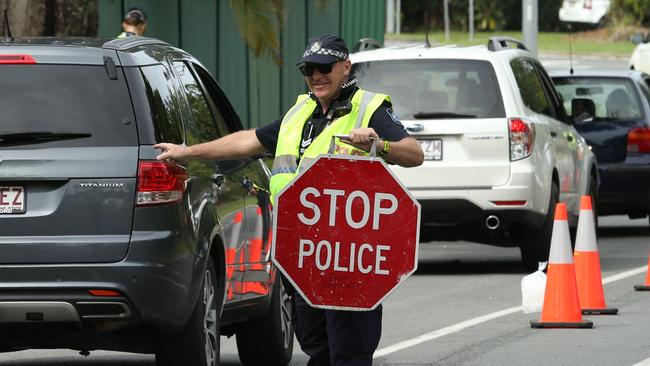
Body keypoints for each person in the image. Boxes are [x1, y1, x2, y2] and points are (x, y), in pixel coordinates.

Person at [155, 34, 423, 366]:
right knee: (315, 343)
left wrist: (378, 143)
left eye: (324, 67)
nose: (316, 76)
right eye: (309, 69)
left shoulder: (369, 109)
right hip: (303, 253)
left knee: (348, 351)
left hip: (348, 255)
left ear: (345, 67)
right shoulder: (300, 113)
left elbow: (414, 154)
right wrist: (186, 152)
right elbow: (245, 141)